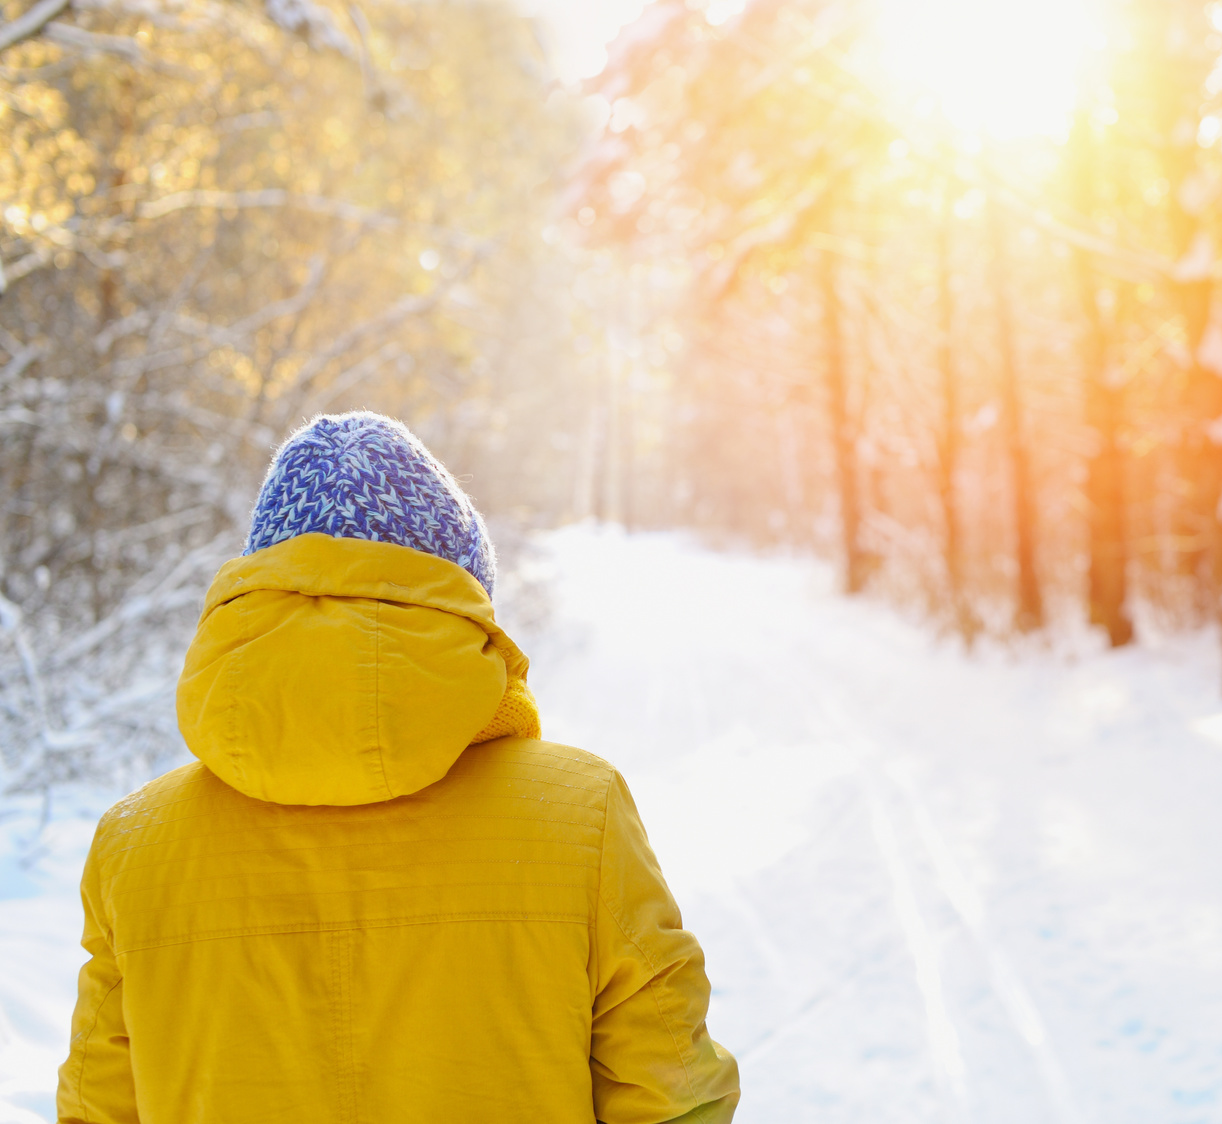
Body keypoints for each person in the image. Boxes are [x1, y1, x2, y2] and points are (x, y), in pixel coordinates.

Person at [56, 412, 739, 1124]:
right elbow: (674, 1097)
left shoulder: (135, 846)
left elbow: (96, 1111)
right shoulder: (583, 816)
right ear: (461, 596)